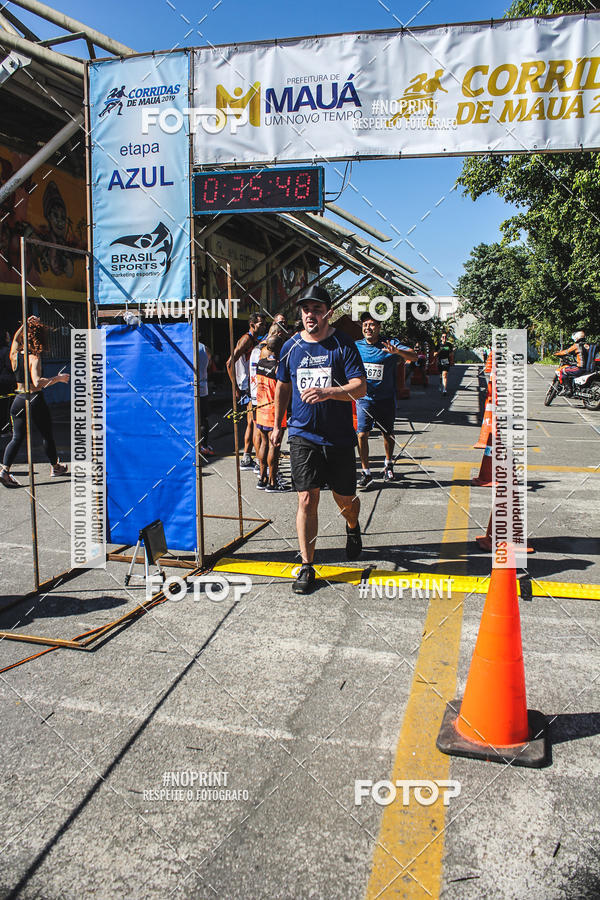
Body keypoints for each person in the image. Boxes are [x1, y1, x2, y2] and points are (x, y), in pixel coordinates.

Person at [272, 285, 367, 594]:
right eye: (305, 309)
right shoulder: (291, 346)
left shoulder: (343, 344)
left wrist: (328, 392)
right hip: (302, 434)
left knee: (345, 500)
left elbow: (360, 387)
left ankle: (352, 526)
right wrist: (277, 425)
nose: (309, 314)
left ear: (328, 312)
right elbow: (282, 386)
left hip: (338, 437)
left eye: (316, 309)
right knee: (306, 498)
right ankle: (307, 565)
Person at [0, 316, 70, 487]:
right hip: (34, 399)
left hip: (18, 399)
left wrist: (25, 324)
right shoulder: (34, 357)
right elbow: (37, 382)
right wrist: (58, 378)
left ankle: (5, 471)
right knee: (46, 434)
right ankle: (55, 467)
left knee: (17, 437)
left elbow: (16, 339)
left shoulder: (14, 355)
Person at [354, 312, 416, 488]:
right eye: (365, 325)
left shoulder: (389, 343)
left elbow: (414, 356)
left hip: (385, 398)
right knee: (361, 434)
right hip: (364, 398)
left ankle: (388, 464)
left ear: (379, 327)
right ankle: (366, 473)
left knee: (387, 433)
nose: (368, 328)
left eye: (372, 324)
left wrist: (397, 352)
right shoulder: (356, 346)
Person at [226, 311, 265, 469]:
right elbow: (229, 363)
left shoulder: (254, 339)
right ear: (252, 325)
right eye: (261, 324)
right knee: (255, 422)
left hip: (249, 384)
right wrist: (235, 387)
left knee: (251, 422)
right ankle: (254, 459)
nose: (264, 327)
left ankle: (247, 457)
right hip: (246, 386)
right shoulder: (246, 339)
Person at [255, 332, 290, 492]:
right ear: (280, 348)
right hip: (274, 411)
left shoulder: (260, 362)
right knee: (274, 447)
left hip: (261, 408)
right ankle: (272, 482)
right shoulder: (279, 367)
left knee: (263, 443)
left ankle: (262, 478)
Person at [556, 329, 589, 396]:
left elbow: (566, 352)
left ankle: (568, 390)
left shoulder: (577, 346)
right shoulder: (587, 345)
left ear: (577, 337)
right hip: (588, 368)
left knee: (563, 371)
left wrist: (557, 354)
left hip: (580, 368)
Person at [197, 339, 214, 456]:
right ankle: (203, 446)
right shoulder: (204, 348)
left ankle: (200, 445)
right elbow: (210, 365)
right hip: (202, 388)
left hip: (186, 389)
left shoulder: (182, 345)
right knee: (203, 419)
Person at [0, 328, 16, 437]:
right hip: (6, 381)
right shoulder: (7, 351)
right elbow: (10, 367)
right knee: (6, 407)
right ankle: (5, 429)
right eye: (8, 336)